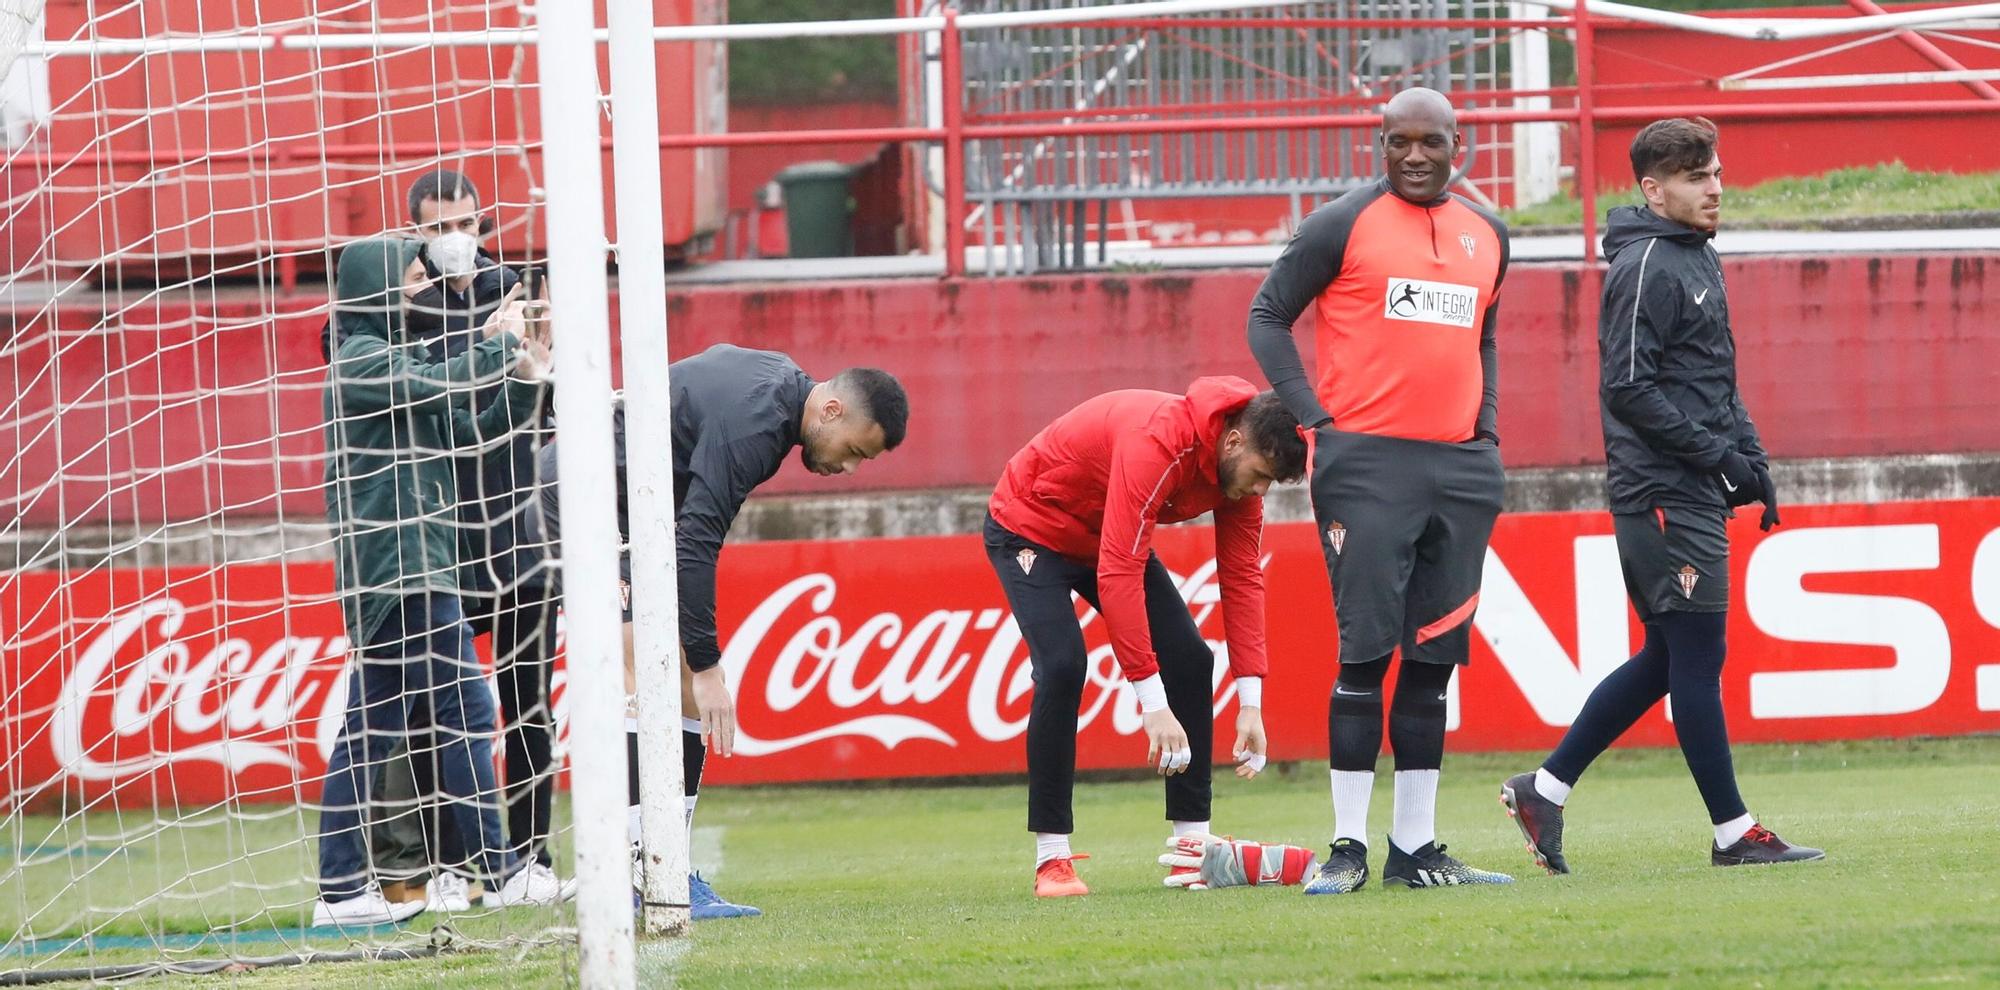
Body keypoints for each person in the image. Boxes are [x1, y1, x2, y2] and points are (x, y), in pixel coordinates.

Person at [1500, 117, 1822, 873]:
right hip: (1662, 493)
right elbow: (1629, 387)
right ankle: (1733, 832)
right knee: (1698, 656)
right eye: (1695, 176)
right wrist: (1719, 458)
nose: (1715, 188)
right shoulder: (1646, 264)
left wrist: (1753, 461)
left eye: (1715, 172)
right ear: (1654, 189)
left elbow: (1713, 379)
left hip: (1688, 488)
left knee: (1666, 657)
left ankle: (1543, 789)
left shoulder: (1696, 255)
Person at [1245, 87, 1513, 893]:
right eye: (1399, 142)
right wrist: (1315, 418)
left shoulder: (1488, 234)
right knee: (1363, 657)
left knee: (1433, 662)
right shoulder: (1341, 223)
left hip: (1462, 469)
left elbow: (1485, 337)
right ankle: (1347, 849)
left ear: (1458, 144)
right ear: (1381, 143)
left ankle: (1417, 849)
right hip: (1365, 466)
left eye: (1431, 142)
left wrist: (1487, 434)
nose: (1415, 157)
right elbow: (1267, 316)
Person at [537, 344, 909, 920]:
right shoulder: (755, 428)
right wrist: (711, 668)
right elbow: (696, 541)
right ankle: (636, 865)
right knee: (640, 669)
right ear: (831, 411)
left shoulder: (779, 382)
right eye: (854, 451)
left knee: (677, 681)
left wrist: (699, 667)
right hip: (579, 498)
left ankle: (661, 860)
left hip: (622, 508)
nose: (849, 468)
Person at [312, 235, 567, 927]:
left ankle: (339, 892)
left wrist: (523, 372)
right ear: (375, 286)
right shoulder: (358, 359)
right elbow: (442, 380)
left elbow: (468, 430)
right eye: (413, 279)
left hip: (419, 561)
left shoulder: (395, 358)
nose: (422, 291)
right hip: (398, 567)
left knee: (373, 729)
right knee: (470, 715)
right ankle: (500, 870)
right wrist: (492, 339)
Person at [984, 379, 1311, 898]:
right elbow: (1120, 569)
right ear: (1233, 443)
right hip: (1031, 525)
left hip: (1103, 536)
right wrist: (1152, 704)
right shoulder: (1158, 443)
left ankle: (1193, 850)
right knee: (1064, 666)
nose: (1259, 492)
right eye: (1261, 476)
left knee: (1190, 659)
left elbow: (1243, 573)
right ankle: (1053, 859)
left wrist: (1251, 700)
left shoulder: (1239, 466)